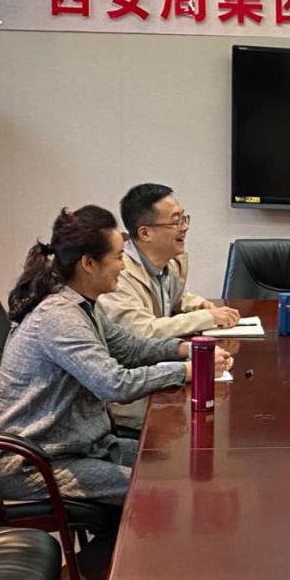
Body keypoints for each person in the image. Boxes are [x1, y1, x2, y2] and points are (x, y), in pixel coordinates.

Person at [0, 205, 233, 506]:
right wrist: (186, 370)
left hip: (85, 446)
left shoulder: (83, 305)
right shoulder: (59, 317)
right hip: (37, 463)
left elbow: (130, 348)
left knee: (177, 461)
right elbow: (115, 385)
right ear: (88, 263)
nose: (124, 266)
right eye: (119, 257)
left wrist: (184, 349)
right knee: (155, 494)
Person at [98, 183, 239, 430]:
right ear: (145, 233)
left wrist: (199, 304)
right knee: (205, 421)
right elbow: (143, 332)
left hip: (159, 375)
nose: (184, 227)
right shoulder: (119, 275)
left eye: (184, 218)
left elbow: (175, 298)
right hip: (132, 398)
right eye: (175, 221)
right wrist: (207, 318)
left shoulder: (170, 262)